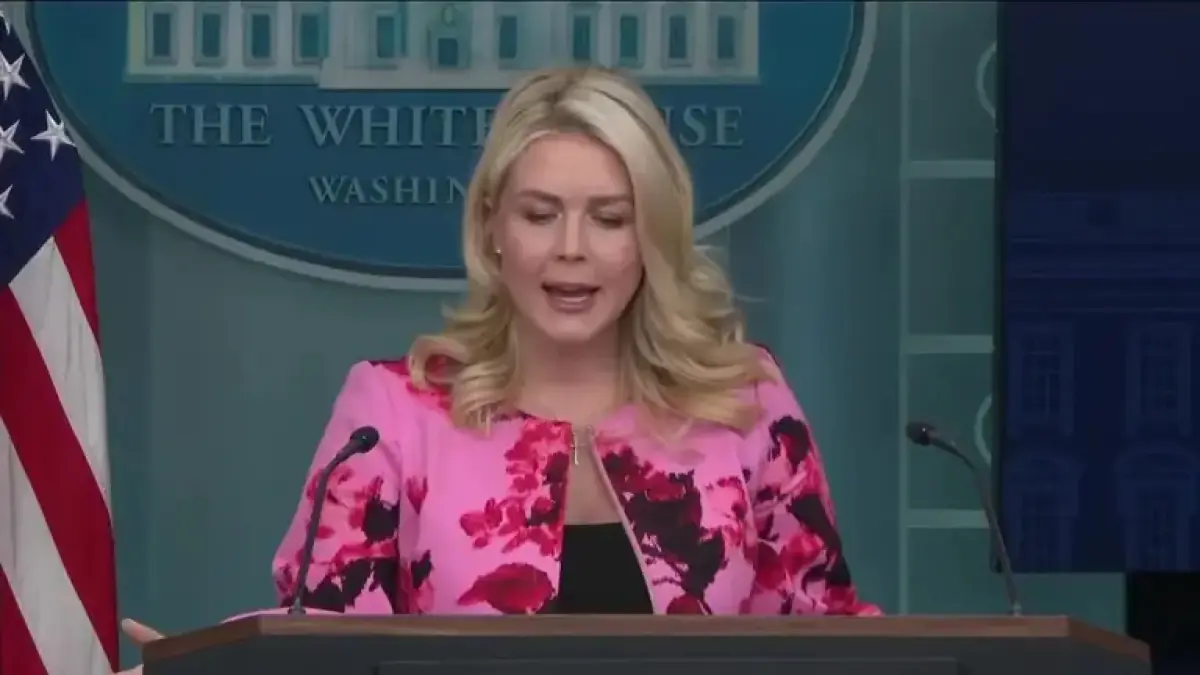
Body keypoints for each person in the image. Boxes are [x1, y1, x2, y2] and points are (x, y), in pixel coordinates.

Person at [118, 65, 880, 672]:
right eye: (540, 214)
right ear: (492, 228)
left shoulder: (744, 400)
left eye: (609, 218)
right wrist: (207, 667)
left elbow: (826, 636)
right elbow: (323, 638)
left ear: (652, 234)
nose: (571, 248)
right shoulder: (394, 412)